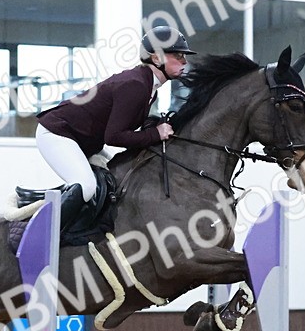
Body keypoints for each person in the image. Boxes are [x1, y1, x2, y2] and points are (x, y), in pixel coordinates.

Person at [35, 25, 195, 230]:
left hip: (81, 140)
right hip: (57, 134)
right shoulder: (136, 85)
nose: (184, 61)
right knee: (87, 186)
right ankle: (45, 235)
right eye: (178, 55)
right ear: (156, 59)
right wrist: (156, 133)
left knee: (114, 180)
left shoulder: (148, 86)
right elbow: (114, 137)